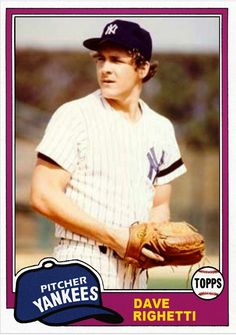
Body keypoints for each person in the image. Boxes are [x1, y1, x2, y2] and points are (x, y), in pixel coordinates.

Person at [30, 19, 187, 289]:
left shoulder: (161, 128)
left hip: (136, 274)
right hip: (80, 263)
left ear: (143, 67)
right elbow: (42, 195)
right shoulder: (74, 115)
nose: (105, 69)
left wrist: (154, 241)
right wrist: (114, 237)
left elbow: (159, 204)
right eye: (100, 59)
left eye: (116, 60)